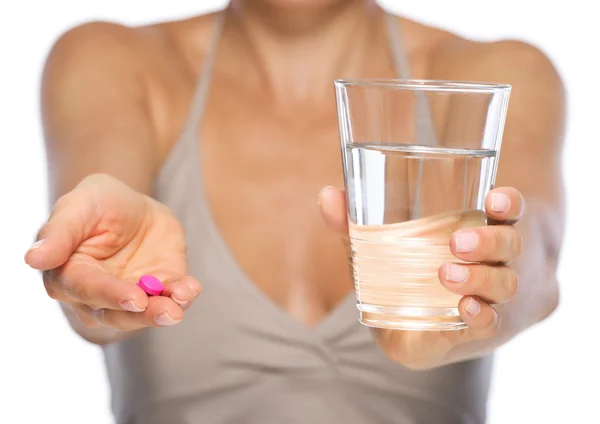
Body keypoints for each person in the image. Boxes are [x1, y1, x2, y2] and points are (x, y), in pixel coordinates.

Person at [25, 0, 565, 423]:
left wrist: (477, 305)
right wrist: (99, 279)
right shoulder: (110, 60)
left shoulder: (496, 71)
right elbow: (90, 281)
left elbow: (535, 256)